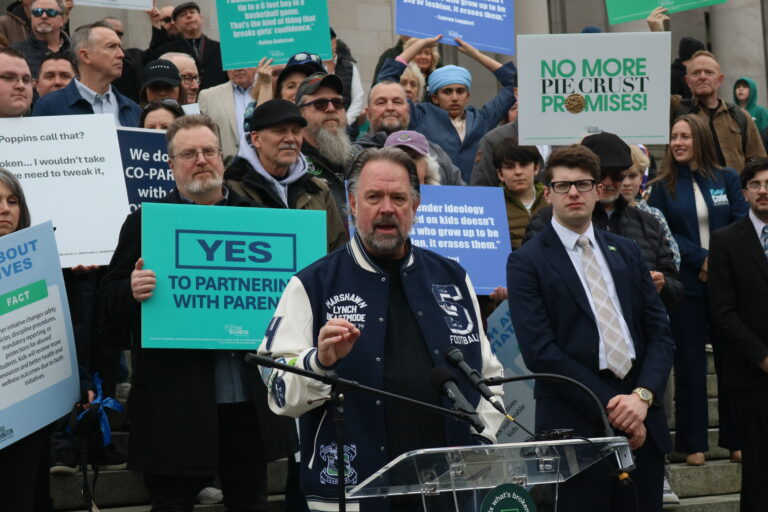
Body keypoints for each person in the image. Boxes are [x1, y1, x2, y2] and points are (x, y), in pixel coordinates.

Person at [258, 146, 504, 511]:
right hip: (354, 492)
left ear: (415, 207)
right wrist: (319, 363)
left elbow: (488, 376)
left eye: (398, 197)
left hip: (448, 492)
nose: (386, 208)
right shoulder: (312, 284)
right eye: (374, 197)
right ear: (353, 204)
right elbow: (277, 389)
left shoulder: (452, 278)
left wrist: (481, 441)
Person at [98, 114, 296, 512]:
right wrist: (131, 292)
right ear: (170, 165)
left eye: (208, 151)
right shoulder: (144, 224)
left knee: (251, 503)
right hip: (175, 400)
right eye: (188, 154)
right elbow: (106, 302)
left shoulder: (262, 218)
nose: (201, 160)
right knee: (171, 503)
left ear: (222, 158)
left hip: (245, 399)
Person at [507, 144, 675, 512]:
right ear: (546, 193)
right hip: (576, 427)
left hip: (644, 424)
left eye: (583, 184)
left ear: (598, 191)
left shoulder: (627, 250)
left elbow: (660, 333)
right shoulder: (526, 262)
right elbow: (541, 353)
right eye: (562, 185)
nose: (573, 193)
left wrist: (643, 397)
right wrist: (616, 410)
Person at [647, 114, 748, 467]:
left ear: (700, 139)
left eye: (685, 136)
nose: (677, 142)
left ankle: (738, 440)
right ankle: (693, 445)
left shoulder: (726, 178)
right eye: (673, 136)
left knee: (732, 362)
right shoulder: (661, 187)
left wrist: (716, 261)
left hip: (727, 286)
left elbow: (740, 220)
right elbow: (665, 233)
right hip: (687, 287)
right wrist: (702, 259)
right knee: (689, 364)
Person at [526, 132, 683, 310]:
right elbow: (532, 284)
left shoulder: (648, 223)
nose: (608, 182)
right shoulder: (548, 220)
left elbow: (675, 289)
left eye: (616, 175)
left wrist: (662, 285)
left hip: (639, 329)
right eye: (602, 174)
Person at [709, 158, 768, 512]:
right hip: (751, 374)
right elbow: (722, 311)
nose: (765, 190)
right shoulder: (726, 241)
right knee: (759, 471)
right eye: (757, 184)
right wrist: (762, 357)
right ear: (744, 192)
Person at [378, 35, 516, 182]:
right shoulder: (420, 115)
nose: (455, 97)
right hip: (436, 198)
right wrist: (421, 44)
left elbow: (513, 82)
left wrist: (475, 54)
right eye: (447, 92)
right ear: (435, 97)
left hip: (476, 199)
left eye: (460, 91)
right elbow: (386, 81)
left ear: (467, 95)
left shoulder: (481, 118)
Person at [646, 12, 767, 173]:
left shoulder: (740, 116)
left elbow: (758, 162)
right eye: (696, 73)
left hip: (733, 195)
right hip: (690, 195)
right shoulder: (676, 109)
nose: (702, 77)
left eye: (709, 72)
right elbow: (654, 89)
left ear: (720, 79)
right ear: (688, 81)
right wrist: (657, 38)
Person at [224, 98, 347, 252]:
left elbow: (337, 248)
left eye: (296, 131)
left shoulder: (318, 189)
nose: (290, 139)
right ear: (256, 139)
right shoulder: (231, 186)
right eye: (280, 131)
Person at [352, 80, 464, 185]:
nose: (390, 107)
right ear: (368, 113)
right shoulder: (354, 155)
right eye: (381, 102)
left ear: (409, 111)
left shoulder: (435, 152)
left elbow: (464, 199)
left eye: (397, 102)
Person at [32, 21, 141, 127]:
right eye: (111, 46)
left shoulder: (133, 109)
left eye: (119, 47)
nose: (121, 54)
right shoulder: (49, 105)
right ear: (85, 56)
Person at [295, 72, 353, 218]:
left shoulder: (358, 160)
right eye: (320, 104)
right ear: (300, 113)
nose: (331, 108)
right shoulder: (293, 164)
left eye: (337, 103)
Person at [198, 59, 272, 166]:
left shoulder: (268, 88)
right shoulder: (208, 96)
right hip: (226, 173)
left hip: (265, 169)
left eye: (244, 61)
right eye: (233, 61)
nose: (239, 68)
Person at [622, 144, 681, 270]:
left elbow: (674, 259)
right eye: (621, 177)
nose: (626, 183)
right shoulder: (604, 214)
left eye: (632, 176)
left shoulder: (654, 214)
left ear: (641, 177)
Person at [146, 2, 226, 91]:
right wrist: (156, 22)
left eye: (192, 12)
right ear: (175, 24)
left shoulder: (221, 48)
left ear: (201, 18)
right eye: (183, 15)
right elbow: (151, 57)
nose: (188, 16)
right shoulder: (167, 50)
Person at [492, 138, 546, 249]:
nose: (518, 172)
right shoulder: (492, 207)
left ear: (536, 168)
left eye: (524, 164)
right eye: (510, 167)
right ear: (500, 174)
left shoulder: (553, 200)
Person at [11, 0, 69, 77]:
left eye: (51, 12)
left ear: (62, 20)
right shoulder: (14, 53)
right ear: (31, 18)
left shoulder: (76, 52)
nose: (44, 16)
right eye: (37, 12)